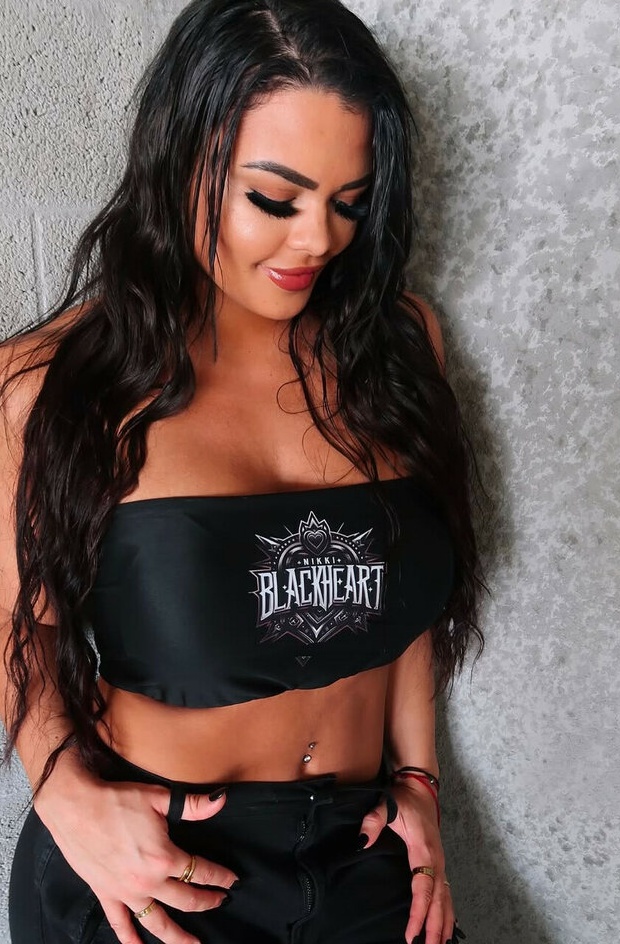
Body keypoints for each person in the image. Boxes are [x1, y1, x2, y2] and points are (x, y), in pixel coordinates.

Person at [1, 1, 484, 943]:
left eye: (350, 203)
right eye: (275, 199)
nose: (318, 242)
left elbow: (399, 607)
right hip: (159, 871)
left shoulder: (396, 344)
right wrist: (66, 799)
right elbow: (18, 625)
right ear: (181, 160)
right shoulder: (52, 384)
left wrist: (420, 784)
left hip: (364, 855)